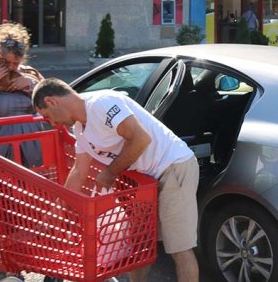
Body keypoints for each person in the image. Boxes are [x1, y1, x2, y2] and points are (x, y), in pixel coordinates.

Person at [32, 78, 200, 282]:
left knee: (179, 249)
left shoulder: (102, 104)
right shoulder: (79, 129)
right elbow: (78, 172)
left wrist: (110, 173)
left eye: (47, 116)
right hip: (143, 181)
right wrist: (55, 213)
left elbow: (141, 139)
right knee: (140, 247)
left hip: (172, 167)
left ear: (52, 101)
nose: (52, 123)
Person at [0, 22, 59, 282]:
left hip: (32, 153)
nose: (11, 68)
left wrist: (31, 85)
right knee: (2, 212)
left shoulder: (30, 75)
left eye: (16, 63)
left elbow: (51, 110)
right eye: (6, 62)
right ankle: (9, 269)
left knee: (36, 211)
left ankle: (49, 265)